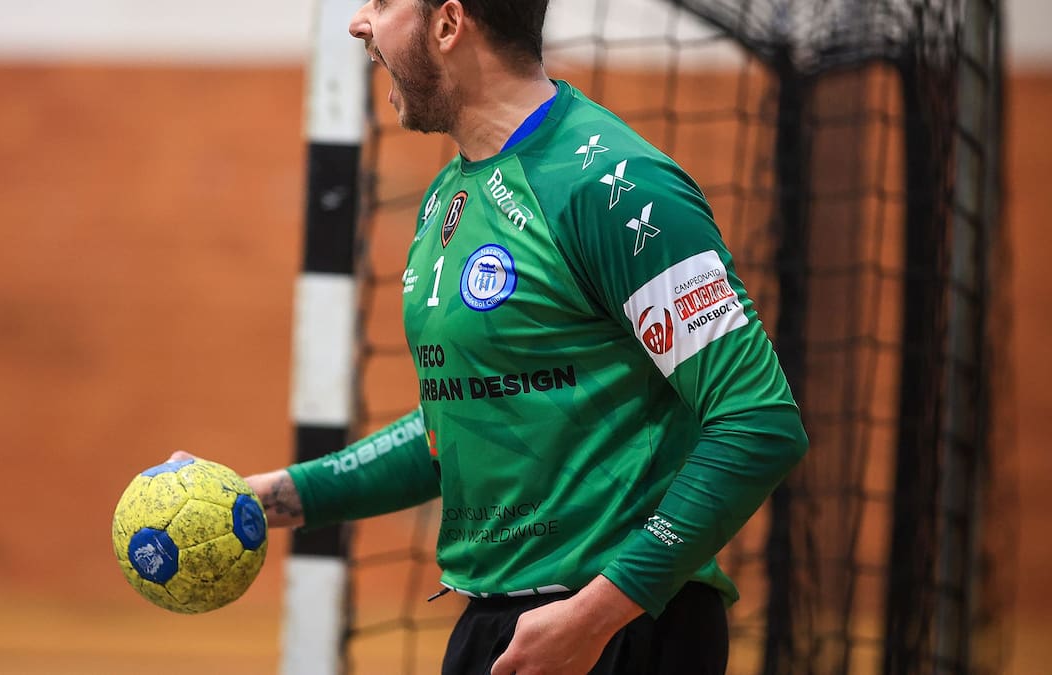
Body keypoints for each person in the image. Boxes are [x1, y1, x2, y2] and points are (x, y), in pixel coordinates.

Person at [177, 1, 807, 672]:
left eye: (384, 3)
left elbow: (757, 420)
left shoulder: (614, 186)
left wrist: (596, 616)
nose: (360, 22)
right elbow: (457, 424)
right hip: (499, 622)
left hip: (618, 628)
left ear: (448, 24)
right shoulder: (449, 194)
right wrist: (270, 496)